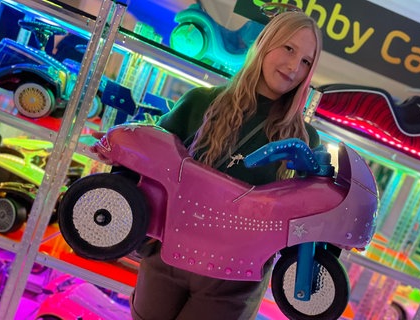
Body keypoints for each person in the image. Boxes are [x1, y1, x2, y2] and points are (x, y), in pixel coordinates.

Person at [128, 10, 323, 320]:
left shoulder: (305, 141)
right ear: (265, 42)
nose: (293, 67)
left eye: (306, 62)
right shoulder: (200, 103)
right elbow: (149, 161)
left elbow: (308, 219)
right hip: (168, 258)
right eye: (289, 49)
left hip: (234, 281)